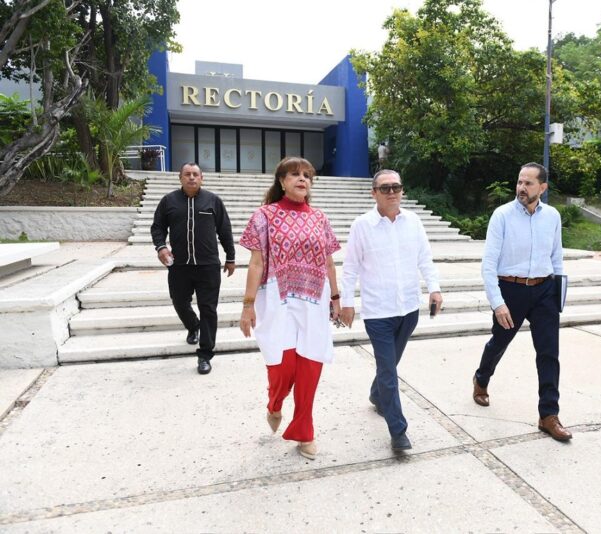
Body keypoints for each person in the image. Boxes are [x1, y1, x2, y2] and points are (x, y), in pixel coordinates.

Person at [239, 157, 341, 460]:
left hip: (314, 301)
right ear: (282, 181)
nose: (302, 179)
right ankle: (275, 403)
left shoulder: (319, 218)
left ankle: (304, 431)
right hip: (276, 299)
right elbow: (256, 263)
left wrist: (336, 298)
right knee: (282, 367)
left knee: (310, 366)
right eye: (295, 174)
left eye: (307, 175)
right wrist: (247, 305)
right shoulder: (264, 216)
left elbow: (328, 262)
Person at [340, 169, 443, 452]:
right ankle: (398, 432)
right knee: (388, 369)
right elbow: (350, 268)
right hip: (378, 312)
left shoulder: (413, 222)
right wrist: (347, 302)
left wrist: (434, 288)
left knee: (390, 364)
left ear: (402, 190)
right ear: (374, 193)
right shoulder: (362, 225)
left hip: (409, 308)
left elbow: (425, 258)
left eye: (396, 187)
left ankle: (377, 395)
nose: (392, 192)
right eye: (385, 188)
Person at [472, 162, 572, 442]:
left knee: (549, 353)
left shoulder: (552, 216)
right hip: (510, 290)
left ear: (542, 187)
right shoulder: (502, 215)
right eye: (519, 182)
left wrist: (558, 294)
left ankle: (548, 415)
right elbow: (489, 263)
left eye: (528, 183)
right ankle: (481, 378)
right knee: (499, 342)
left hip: (544, 291)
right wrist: (498, 303)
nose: (521, 188)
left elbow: (556, 257)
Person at [151, 162, 235, 375]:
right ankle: (193, 326)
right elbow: (158, 227)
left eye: (195, 174)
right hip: (179, 266)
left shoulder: (213, 201)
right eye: (187, 174)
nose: (191, 177)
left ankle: (205, 355)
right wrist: (161, 247)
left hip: (208, 266)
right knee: (179, 302)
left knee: (208, 309)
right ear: (180, 177)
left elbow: (225, 230)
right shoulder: (169, 201)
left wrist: (230, 257)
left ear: (201, 178)